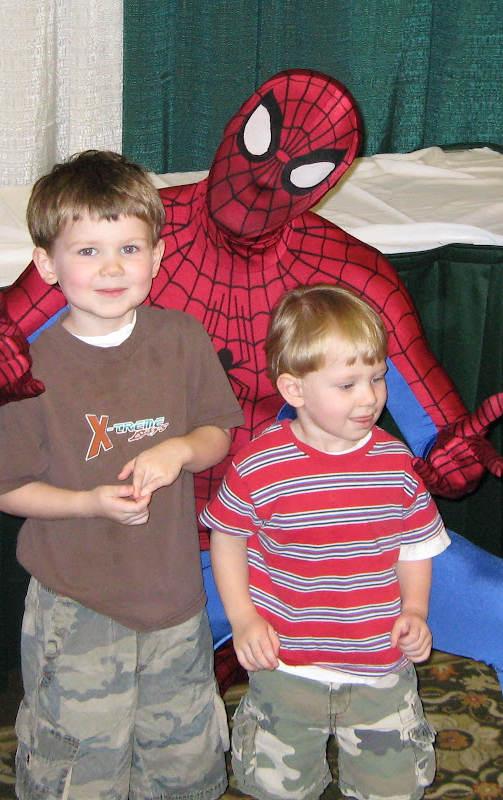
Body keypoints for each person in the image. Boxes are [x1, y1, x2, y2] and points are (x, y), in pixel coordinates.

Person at [0, 70, 503, 797]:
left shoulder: (348, 274)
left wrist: (453, 461)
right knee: (102, 727)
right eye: (262, 143)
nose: (265, 179)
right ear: (234, 128)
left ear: (327, 181)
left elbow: (437, 436)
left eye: (302, 169)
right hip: (161, 549)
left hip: (319, 532)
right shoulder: (123, 240)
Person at [0, 150, 245, 800]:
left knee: (182, 759)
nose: (113, 268)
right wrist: (89, 502)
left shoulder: (181, 338)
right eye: (88, 251)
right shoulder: (31, 368)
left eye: (129, 248)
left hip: (174, 598)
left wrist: (179, 450)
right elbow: (7, 489)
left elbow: (217, 432)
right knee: (79, 763)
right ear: (46, 264)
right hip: (77, 605)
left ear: (157, 256)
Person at [201, 284, 451, 800]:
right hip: (285, 664)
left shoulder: (396, 465)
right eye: (347, 384)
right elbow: (227, 537)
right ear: (294, 389)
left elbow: (415, 547)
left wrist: (416, 610)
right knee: (275, 787)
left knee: (393, 787)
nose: (370, 397)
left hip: (378, 665)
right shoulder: (259, 464)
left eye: (377, 377)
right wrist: (243, 618)